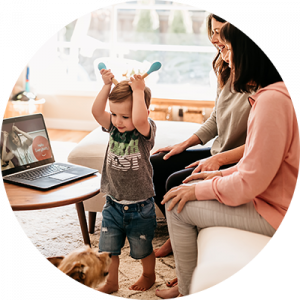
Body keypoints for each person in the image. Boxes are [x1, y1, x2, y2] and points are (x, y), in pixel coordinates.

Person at [156, 21, 299, 299]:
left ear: (249, 52)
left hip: (274, 210)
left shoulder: (271, 102)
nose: (227, 57)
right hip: (272, 197)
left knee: (176, 204)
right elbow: (258, 165)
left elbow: (250, 182)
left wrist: (199, 189)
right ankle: (189, 274)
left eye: (231, 49)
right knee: (184, 181)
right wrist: (215, 177)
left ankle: (186, 290)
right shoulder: (276, 93)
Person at [152, 13, 252, 259]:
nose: (216, 40)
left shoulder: (263, 80)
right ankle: (178, 236)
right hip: (218, 152)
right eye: (213, 32)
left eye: (222, 33)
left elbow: (259, 144)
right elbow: (216, 118)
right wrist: (184, 144)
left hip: (240, 159)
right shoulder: (225, 66)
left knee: (176, 181)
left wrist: (218, 160)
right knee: (156, 164)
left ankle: (185, 238)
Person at [92, 68, 157, 294]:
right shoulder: (112, 127)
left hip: (140, 205)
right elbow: (96, 111)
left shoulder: (144, 130)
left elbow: (139, 118)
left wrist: (138, 91)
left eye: (125, 116)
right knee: (109, 249)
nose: (118, 121)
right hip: (113, 202)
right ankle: (111, 282)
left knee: (143, 248)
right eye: (115, 114)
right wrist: (106, 86)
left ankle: (149, 274)